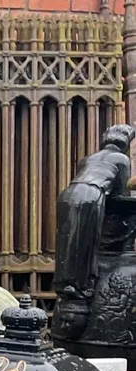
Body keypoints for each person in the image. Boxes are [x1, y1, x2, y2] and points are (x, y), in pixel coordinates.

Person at [53, 123, 136, 342]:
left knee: (71, 243)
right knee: (87, 244)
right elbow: (121, 193)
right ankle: (83, 289)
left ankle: (69, 287)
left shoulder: (88, 159)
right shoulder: (121, 159)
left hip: (69, 195)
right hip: (92, 196)